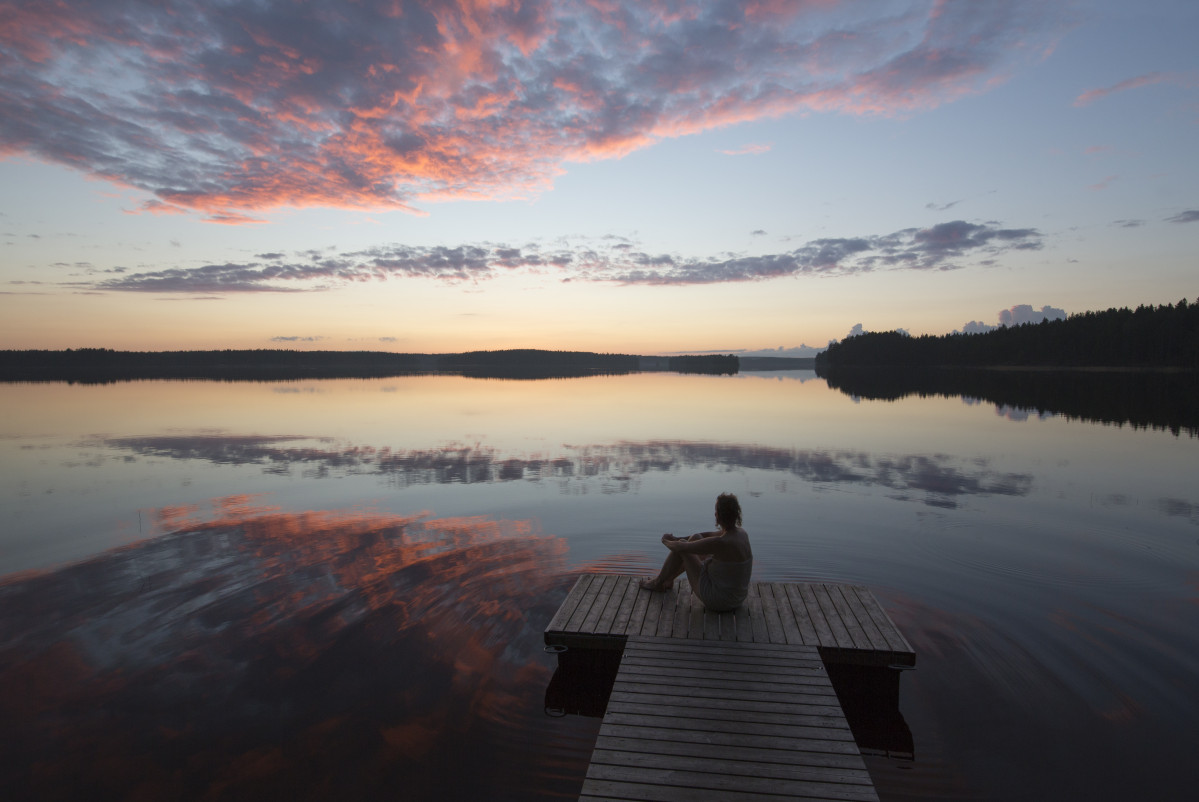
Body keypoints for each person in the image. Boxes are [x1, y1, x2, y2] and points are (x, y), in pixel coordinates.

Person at [639, 492, 753, 612]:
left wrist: (665, 540)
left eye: (716, 511)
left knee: (684, 546)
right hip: (736, 599)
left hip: (718, 600)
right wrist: (676, 538)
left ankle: (658, 582)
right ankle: (668, 580)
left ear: (718, 515)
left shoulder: (721, 543)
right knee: (696, 537)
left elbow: (680, 548)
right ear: (736, 514)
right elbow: (706, 535)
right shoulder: (741, 534)